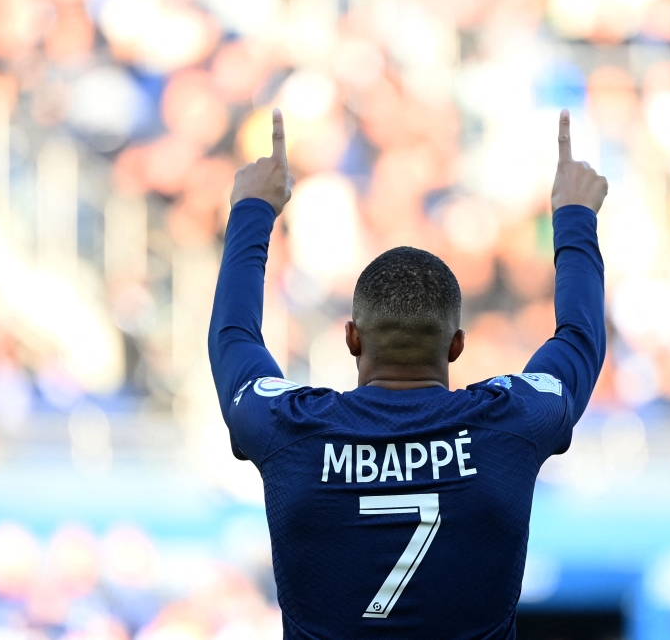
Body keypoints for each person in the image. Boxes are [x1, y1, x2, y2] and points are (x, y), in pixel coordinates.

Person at [208, 107, 608, 639]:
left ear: (352, 337)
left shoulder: (289, 427)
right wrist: (573, 215)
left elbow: (235, 337)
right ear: (457, 346)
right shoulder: (509, 423)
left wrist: (253, 208)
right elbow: (578, 340)